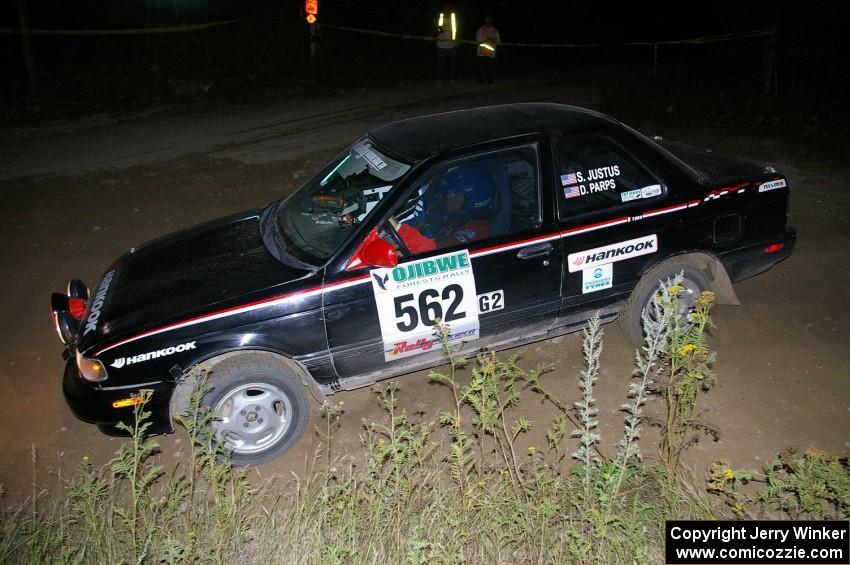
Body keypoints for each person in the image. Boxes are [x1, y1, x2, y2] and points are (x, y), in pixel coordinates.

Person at [395, 165, 496, 254]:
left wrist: (397, 228)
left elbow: (434, 255)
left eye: (457, 194)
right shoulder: (448, 214)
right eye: (450, 192)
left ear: (475, 202)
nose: (449, 196)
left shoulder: (480, 231)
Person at [435, 9, 459, 84]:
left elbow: (457, 30)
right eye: (445, 9)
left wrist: (457, 42)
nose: (447, 11)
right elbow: (437, 30)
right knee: (441, 64)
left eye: (448, 9)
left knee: (452, 64)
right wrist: (441, 29)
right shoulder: (440, 18)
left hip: (452, 45)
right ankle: (439, 79)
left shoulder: (453, 19)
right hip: (441, 45)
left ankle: (452, 79)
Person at [475, 15, 500, 84]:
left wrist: (492, 41)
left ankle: (490, 81)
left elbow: (498, 40)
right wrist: (489, 40)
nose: (488, 21)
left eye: (490, 20)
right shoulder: (481, 29)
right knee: (481, 68)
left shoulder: (495, 30)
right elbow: (478, 39)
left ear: (492, 21)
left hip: (491, 53)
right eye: (487, 20)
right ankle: (480, 81)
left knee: (490, 68)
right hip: (481, 52)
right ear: (485, 21)